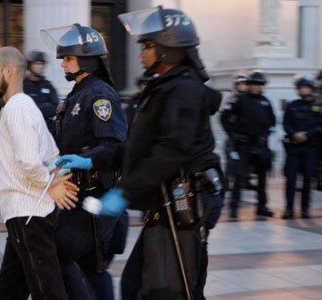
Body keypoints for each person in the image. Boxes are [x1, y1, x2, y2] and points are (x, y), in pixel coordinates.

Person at [56, 6, 224, 299]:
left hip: (187, 203)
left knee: (175, 289)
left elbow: (170, 151)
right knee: (138, 287)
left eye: (147, 46)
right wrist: (92, 159)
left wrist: (124, 192)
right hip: (165, 203)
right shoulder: (165, 87)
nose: (140, 53)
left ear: (168, 49)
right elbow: (135, 145)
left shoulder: (185, 90)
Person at [41, 23, 128, 299]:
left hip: (93, 196)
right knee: (75, 260)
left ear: (86, 58)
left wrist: (86, 160)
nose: (63, 64)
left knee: (85, 263)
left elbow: (114, 145)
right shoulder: (78, 93)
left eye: (68, 58)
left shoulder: (99, 94)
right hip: (75, 194)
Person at [0, 46, 78, 300]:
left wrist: (51, 184)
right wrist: (53, 178)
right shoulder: (25, 106)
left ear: (8, 70)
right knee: (8, 288)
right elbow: (54, 154)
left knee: (47, 291)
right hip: (25, 213)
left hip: (29, 214)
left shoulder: (17, 108)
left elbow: (30, 161)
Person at [221, 70, 276, 219]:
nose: (256, 87)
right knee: (239, 177)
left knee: (262, 177)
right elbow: (225, 117)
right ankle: (234, 207)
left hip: (260, 144)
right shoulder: (239, 100)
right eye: (253, 84)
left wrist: (265, 135)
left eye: (259, 85)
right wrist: (233, 135)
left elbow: (272, 121)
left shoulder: (265, 102)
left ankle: (262, 206)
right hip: (243, 145)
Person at [282, 75, 322, 219]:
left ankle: (305, 209)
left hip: (310, 148)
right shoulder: (292, 105)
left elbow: (321, 125)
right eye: (301, 87)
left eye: (306, 87)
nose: (303, 90)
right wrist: (294, 134)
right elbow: (286, 123)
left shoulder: (319, 105)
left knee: (308, 179)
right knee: (291, 179)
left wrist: (307, 135)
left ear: (311, 89)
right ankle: (289, 209)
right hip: (294, 148)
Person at [221, 74, 248, 191]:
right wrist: (231, 132)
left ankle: (245, 180)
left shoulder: (250, 99)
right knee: (231, 160)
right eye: (240, 84)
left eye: (244, 84)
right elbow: (224, 117)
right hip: (234, 136)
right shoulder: (233, 100)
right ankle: (226, 182)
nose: (242, 86)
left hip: (247, 136)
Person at [23, 50, 59, 135]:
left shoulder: (48, 85)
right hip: (28, 129)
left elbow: (55, 107)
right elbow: (23, 109)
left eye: (41, 64)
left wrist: (34, 107)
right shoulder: (23, 85)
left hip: (47, 128)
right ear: (30, 65)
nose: (40, 67)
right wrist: (45, 105)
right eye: (36, 64)